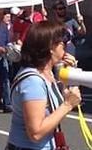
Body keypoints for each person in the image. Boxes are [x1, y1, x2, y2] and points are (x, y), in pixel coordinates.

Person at [7, 21, 81, 150]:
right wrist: (68, 105)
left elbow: (54, 105)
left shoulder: (46, 73)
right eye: (61, 42)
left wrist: (70, 72)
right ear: (50, 47)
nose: (65, 45)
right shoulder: (33, 81)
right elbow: (36, 133)